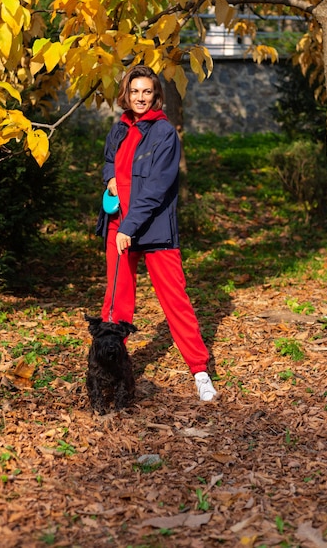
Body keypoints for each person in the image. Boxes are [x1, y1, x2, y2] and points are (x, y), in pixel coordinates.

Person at [96, 65, 217, 402]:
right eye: (135, 91)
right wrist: (109, 177)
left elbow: (158, 189)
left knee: (175, 301)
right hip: (118, 224)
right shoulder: (119, 128)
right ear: (126, 94)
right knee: (116, 302)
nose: (140, 98)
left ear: (156, 95)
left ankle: (200, 371)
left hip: (154, 229)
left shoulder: (164, 133)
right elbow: (110, 160)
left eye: (147, 92)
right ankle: (110, 368)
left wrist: (130, 228)